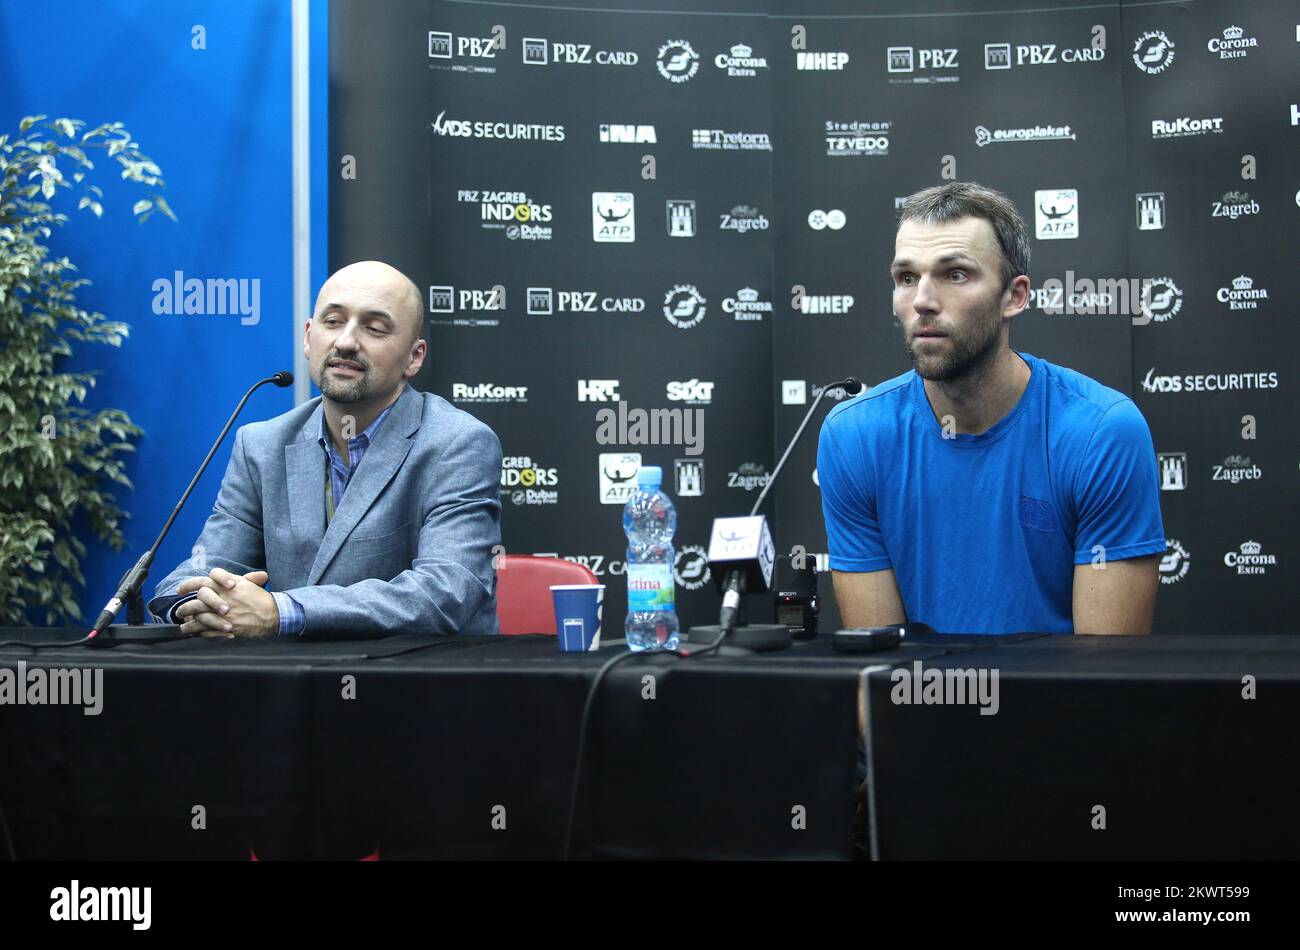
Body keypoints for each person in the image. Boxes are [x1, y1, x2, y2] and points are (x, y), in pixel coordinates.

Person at [818, 182, 1164, 635]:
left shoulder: (1102, 432)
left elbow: (1101, 676)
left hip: (1058, 703)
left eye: (955, 274)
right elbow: (882, 666)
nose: (922, 300)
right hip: (918, 701)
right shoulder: (854, 436)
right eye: (906, 277)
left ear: (1015, 297)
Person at [149, 260, 502, 638]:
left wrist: (281, 611)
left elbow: (444, 593)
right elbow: (201, 571)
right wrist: (198, 607)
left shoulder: (456, 443)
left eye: (375, 328)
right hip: (292, 687)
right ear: (307, 337)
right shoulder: (262, 445)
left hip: (417, 685)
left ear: (414, 357)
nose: (346, 342)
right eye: (333, 322)